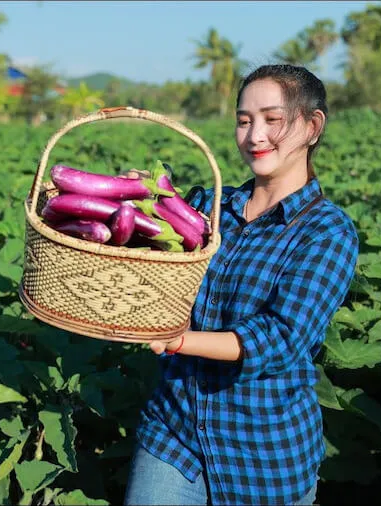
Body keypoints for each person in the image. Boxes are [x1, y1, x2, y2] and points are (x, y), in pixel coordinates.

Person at [124, 64, 359, 505]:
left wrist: (178, 341)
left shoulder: (327, 231)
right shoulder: (205, 209)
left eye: (273, 120)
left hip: (263, 458)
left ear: (312, 126)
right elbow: (149, 268)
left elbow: (281, 339)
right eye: (244, 120)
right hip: (174, 435)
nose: (254, 136)